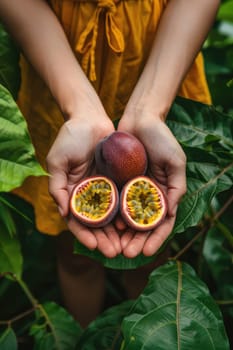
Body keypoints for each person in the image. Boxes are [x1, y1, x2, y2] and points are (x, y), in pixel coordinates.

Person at [0, 0, 220, 327]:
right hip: (57, 60)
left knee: (150, 260)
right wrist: (79, 108)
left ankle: (143, 336)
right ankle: (85, 335)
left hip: (160, 55)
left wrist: (150, 110)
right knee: (74, 257)